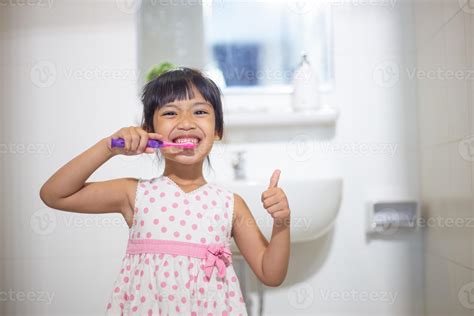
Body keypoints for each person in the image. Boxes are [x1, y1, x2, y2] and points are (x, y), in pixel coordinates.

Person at [39, 67, 291, 315]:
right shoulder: (133, 194)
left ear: (217, 131)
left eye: (200, 111)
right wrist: (109, 147)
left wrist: (282, 222)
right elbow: (55, 194)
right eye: (170, 113)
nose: (186, 123)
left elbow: (271, 274)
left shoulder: (230, 204)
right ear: (150, 130)